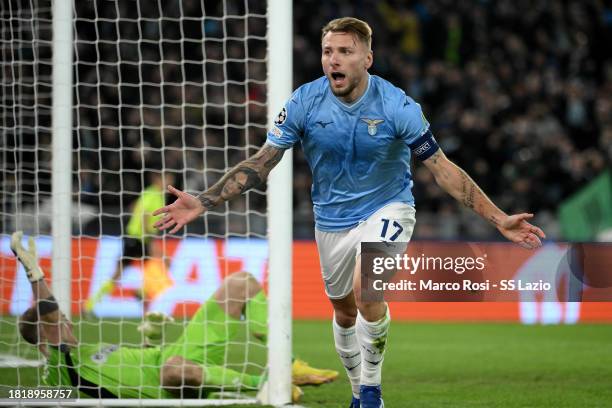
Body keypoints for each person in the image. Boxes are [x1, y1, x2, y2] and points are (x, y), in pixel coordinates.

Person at [152, 17, 546, 408]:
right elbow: (262, 162)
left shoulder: (398, 105)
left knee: (366, 287)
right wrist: (204, 200)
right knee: (343, 312)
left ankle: (372, 392)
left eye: (345, 51)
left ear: (367, 58)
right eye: (328, 52)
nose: (333, 60)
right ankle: (358, 391)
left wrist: (498, 219)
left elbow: (441, 168)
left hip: (389, 206)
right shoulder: (304, 101)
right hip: (331, 221)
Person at [10, 231, 336, 401]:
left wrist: (152, 338)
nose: (66, 322)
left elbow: (145, 359)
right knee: (173, 370)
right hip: (169, 381)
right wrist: (34, 272)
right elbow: (47, 313)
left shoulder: (85, 351)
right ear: (45, 335)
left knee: (242, 283)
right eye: (59, 323)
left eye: (65, 318)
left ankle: (287, 364)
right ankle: (267, 383)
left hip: (171, 356)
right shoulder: (58, 369)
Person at [84, 171, 174, 314]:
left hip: (136, 238)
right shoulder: (153, 194)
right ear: (157, 179)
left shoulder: (153, 194)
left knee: (154, 267)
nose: (169, 183)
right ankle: (91, 304)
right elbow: (144, 214)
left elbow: (134, 207)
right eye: (166, 178)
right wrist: (148, 235)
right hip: (138, 238)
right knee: (159, 265)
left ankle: (140, 293)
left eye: (170, 179)